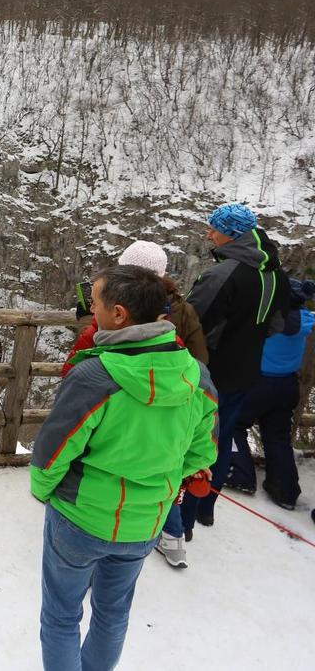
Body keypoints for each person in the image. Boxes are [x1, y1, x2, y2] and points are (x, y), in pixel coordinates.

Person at [31, 265, 219, 671]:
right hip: (145, 522)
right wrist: (163, 485)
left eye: (94, 302)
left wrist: (45, 490)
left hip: (80, 518)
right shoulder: (197, 379)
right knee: (112, 614)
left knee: (62, 616)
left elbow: (52, 450)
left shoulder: (96, 376)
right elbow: (203, 454)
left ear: (118, 314)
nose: (89, 308)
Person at [179, 203, 289, 536]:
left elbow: (191, 322)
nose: (209, 233)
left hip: (210, 370)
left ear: (232, 234)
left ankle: (181, 518)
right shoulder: (274, 275)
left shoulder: (222, 274)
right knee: (221, 438)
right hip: (247, 370)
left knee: (193, 439)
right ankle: (206, 509)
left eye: (215, 228)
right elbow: (276, 325)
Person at [223, 279, 315, 509]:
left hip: (258, 382)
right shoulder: (305, 320)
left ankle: (241, 474)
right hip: (287, 385)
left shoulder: (271, 319)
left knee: (233, 423)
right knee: (278, 436)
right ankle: (285, 490)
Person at [61, 240, 208, 377]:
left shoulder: (113, 309)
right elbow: (199, 359)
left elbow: (76, 367)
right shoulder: (181, 308)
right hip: (169, 390)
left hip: (114, 391)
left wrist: (88, 318)